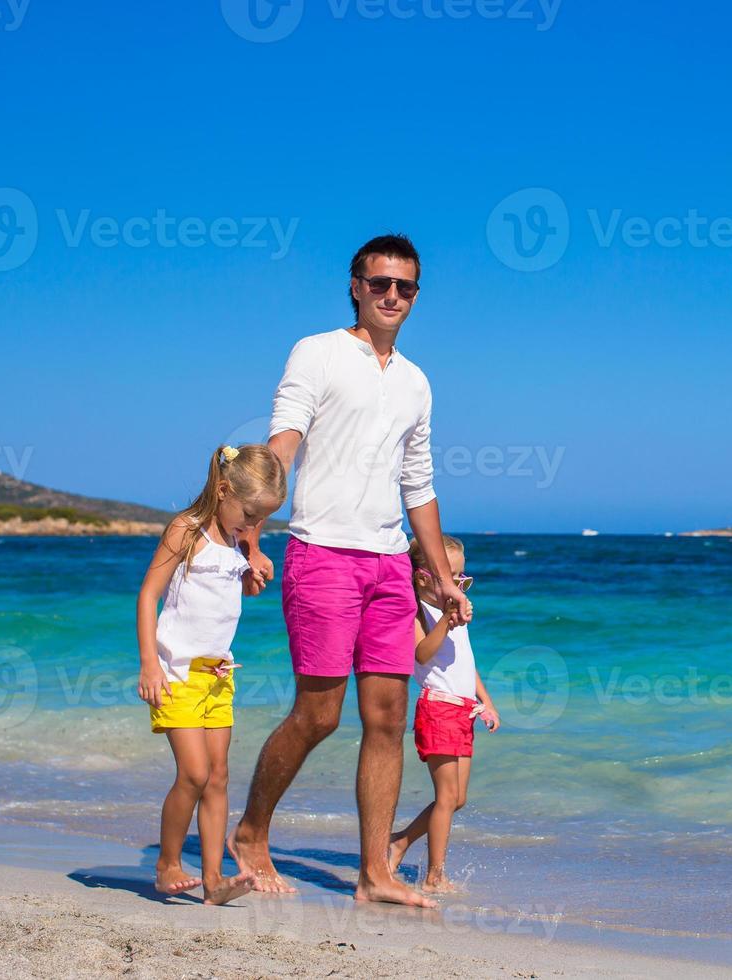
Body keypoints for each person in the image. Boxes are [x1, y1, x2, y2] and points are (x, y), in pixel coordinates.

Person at [230, 234, 473, 907]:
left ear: (416, 295)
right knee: (319, 713)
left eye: (405, 287)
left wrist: (441, 576)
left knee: (389, 716)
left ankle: (374, 874)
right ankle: (251, 830)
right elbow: (284, 439)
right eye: (380, 283)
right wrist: (249, 528)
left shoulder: (417, 382)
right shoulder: (318, 352)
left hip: (391, 563)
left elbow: (418, 488)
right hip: (322, 553)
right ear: (356, 286)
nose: (392, 296)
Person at [135, 443, 286, 904]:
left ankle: (214, 879)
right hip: (176, 674)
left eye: (262, 518)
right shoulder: (187, 530)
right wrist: (149, 664)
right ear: (222, 490)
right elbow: (148, 597)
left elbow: (227, 590)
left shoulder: (237, 539)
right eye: (249, 514)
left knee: (218, 776)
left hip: (219, 675)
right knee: (195, 773)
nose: (252, 525)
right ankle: (167, 865)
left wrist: (251, 572)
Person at [387, 535, 500, 892]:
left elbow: (466, 663)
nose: (458, 585)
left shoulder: (455, 611)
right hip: (437, 708)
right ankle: (435, 876)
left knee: (457, 799)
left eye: (462, 577)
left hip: (464, 711)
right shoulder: (418, 611)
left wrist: (487, 700)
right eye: (450, 577)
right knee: (447, 797)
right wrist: (446, 623)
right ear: (423, 577)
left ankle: (400, 841)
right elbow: (421, 654)